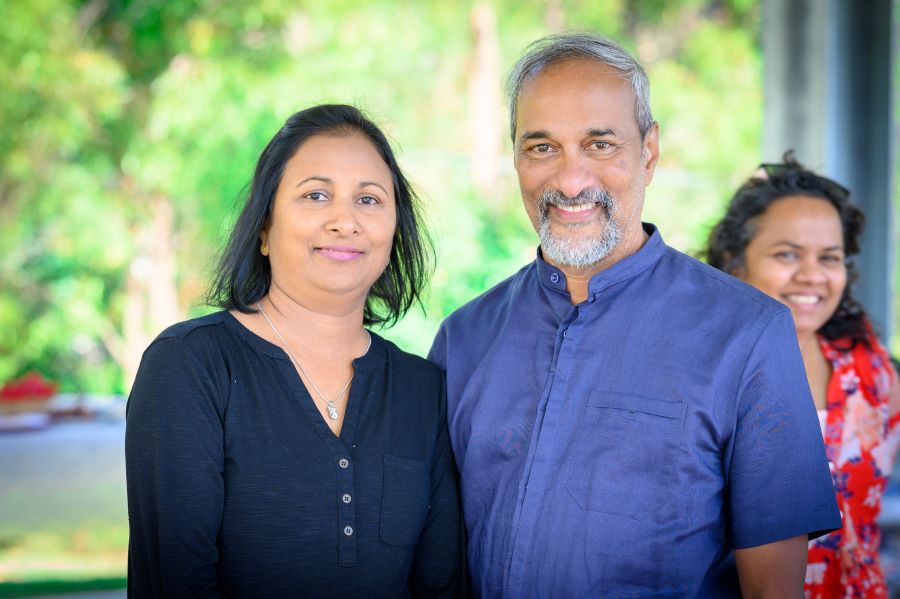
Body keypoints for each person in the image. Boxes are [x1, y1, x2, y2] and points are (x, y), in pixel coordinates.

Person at [428, 32, 841, 598]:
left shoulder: (749, 334)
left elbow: (773, 590)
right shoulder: (464, 338)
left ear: (649, 153)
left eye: (600, 144)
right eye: (542, 147)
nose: (570, 180)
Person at [125, 104, 464, 598]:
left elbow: (441, 585)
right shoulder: (189, 366)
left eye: (369, 199)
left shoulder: (421, 389)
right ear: (264, 228)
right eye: (316, 195)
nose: (345, 221)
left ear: (394, 230)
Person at [705, 153, 900, 598]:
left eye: (829, 257)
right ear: (735, 264)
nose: (812, 275)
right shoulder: (700, 374)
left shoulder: (875, 377)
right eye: (787, 254)